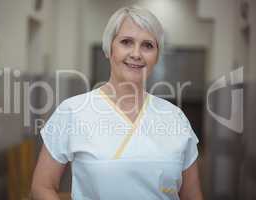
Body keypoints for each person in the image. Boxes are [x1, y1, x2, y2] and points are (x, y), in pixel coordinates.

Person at [31, 5, 203, 200]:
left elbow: (192, 195)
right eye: (126, 42)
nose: (136, 54)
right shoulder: (73, 111)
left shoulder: (175, 118)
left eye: (148, 45)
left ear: (156, 56)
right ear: (109, 48)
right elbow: (42, 187)